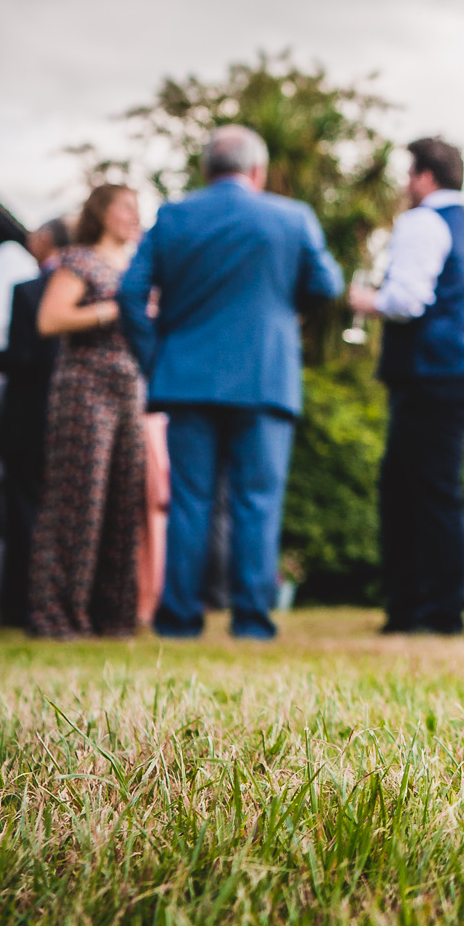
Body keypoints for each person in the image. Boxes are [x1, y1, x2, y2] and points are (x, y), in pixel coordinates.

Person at [119, 126, 343, 640]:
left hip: (186, 378)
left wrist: (157, 356)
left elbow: (131, 294)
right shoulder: (292, 217)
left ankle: (178, 619)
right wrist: (285, 314)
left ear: (206, 170)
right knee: (257, 502)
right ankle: (252, 621)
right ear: (257, 171)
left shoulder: (174, 216)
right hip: (265, 380)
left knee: (190, 502)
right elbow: (327, 285)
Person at [348, 137, 464, 637]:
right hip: (457, 370)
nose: (406, 186)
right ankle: (431, 607)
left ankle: (428, 610)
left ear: (426, 177)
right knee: (431, 489)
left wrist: (362, 299)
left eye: (410, 175)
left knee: (417, 492)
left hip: (432, 372)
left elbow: (408, 299)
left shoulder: (423, 221)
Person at [25, 184, 150, 640]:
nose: (134, 216)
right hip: (84, 387)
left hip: (130, 387)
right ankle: (57, 616)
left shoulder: (140, 266)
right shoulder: (79, 260)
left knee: (123, 500)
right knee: (80, 500)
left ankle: (112, 618)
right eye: (126, 208)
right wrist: (110, 311)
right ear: (102, 213)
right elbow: (49, 320)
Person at [0, 215, 71, 628]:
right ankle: (57, 602)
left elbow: (21, 358)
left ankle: (20, 606)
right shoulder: (88, 288)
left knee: (24, 511)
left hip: (29, 417)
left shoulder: (28, 290)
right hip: (72, 415)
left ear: (47, 241)